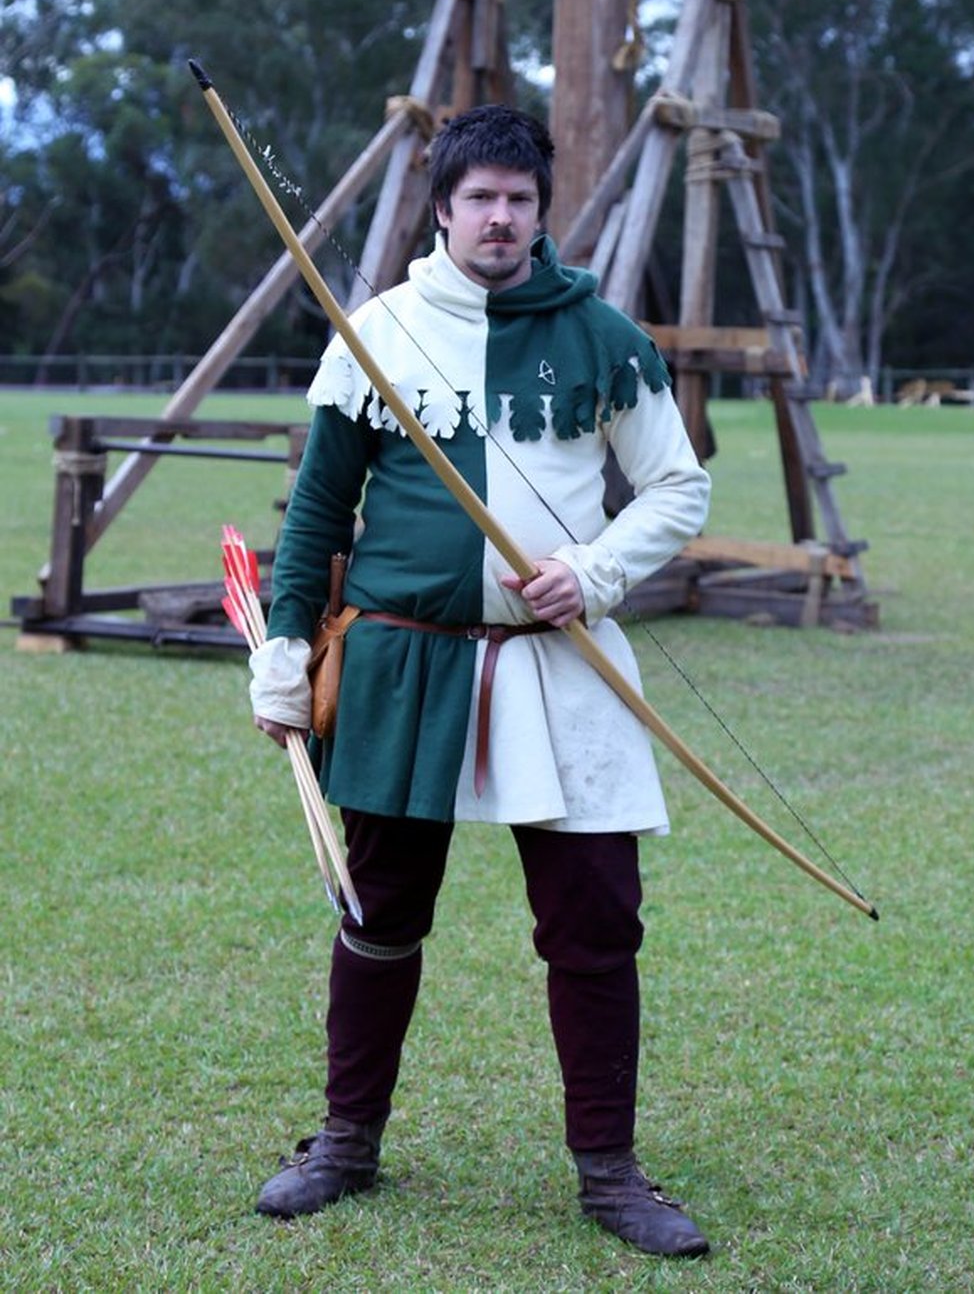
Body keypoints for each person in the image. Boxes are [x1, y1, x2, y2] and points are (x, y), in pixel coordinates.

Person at [248, 104, 712, 1257]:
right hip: (405, 662)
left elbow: (677, 487)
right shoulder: (378, 333)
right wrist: (285, 651)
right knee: (378, 914)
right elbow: (318, 512)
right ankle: (345, 1143)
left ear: (541, 210)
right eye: (480, 199)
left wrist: (592, 572)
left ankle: (610, 1173)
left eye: (519, 198)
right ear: (443, 209)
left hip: (561, 664)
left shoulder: (602, 336)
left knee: (596, 922)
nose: (500, 217)